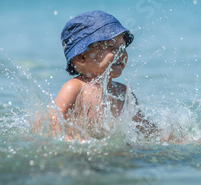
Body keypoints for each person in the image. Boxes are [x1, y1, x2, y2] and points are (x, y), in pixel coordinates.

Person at [53, 10, 158, 141]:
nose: (121, 52)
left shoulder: (123, 92)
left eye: (122, 47)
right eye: (111, 46)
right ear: (81, 57)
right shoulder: (75, 88)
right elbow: (53, 125)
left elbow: (146, 130)